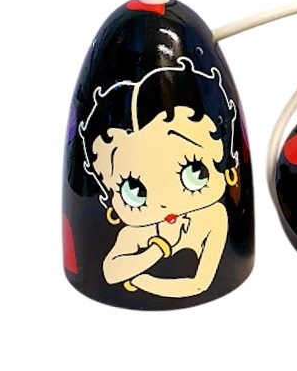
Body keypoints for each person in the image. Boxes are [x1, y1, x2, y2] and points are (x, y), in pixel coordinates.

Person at [78, 56, 238, 298]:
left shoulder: (213, 218)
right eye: (134, 191)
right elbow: (110, 273)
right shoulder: (135, 232)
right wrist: (158, 248)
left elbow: (199, 285)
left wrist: (140, 278)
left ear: (224, 165)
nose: (164, 203)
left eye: (194, 172)